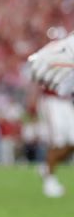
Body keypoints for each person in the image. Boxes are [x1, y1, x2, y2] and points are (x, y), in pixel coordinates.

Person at [32, 29, 74, 198]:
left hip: (66, 103)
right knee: (57, 141)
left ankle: (46, 167)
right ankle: (49, 181)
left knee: (71, 141)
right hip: (52, 102)